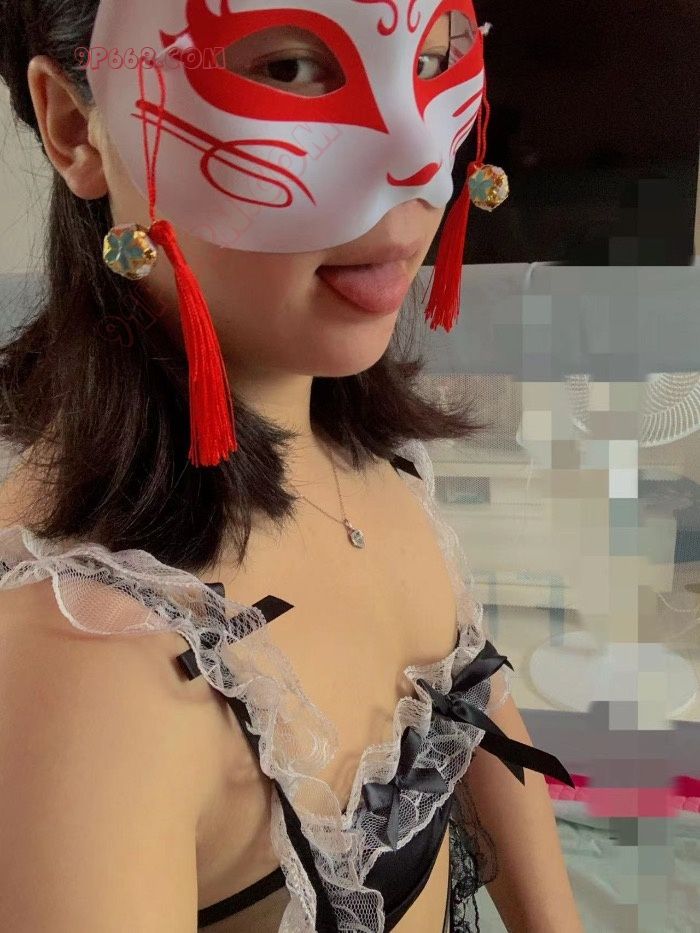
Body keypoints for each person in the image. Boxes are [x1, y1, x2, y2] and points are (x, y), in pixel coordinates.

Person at [0, 1, 584, 930]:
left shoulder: (366, 456)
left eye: (435, 57)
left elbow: (472, 707)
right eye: (286, 69)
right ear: (77, 126)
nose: (416, 165)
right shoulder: (86, 676)